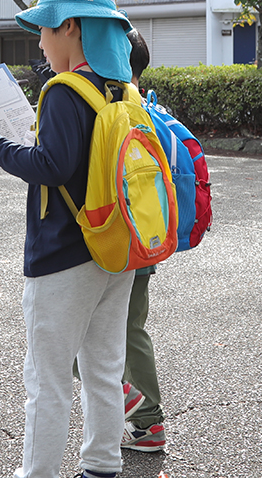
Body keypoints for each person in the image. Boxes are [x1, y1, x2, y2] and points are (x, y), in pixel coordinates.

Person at [0, 0, 136, 478]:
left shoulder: (64, 91)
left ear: (73, 28)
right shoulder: (122, 89)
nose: (39, 38)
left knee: (48, 377)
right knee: (104, 368)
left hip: (62, 253)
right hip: (115, 247)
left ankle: (36, 474)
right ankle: (103, 465)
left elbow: (52, 166)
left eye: (45, 27)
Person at [120, 28, 167, 453]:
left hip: (115, 242)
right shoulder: (150, 105)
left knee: (71, 335)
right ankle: (148, 422)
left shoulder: (115, 106)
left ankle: (127, 400)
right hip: (148, 237)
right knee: (133, 328)